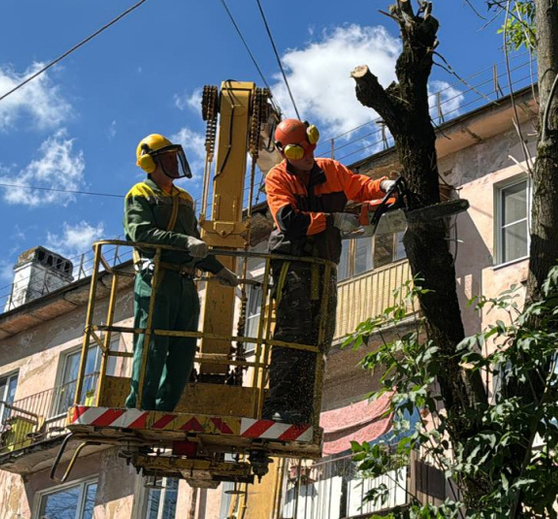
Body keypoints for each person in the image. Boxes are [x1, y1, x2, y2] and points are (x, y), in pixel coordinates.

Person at [263, 119, 396, 423]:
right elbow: (289, 221)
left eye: (309, 143)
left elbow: (359, 187)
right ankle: (280, 404)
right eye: (299, 149)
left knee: (320, 334)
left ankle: (305, 405)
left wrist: (383, 186)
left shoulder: (331, 169)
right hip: (294, 262)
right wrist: (332, 220)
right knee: (293, 332)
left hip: (325, 262)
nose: (308, 153)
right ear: (286, 152)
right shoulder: (277, 178)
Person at [124, 133, 239, 411]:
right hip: (157, 278)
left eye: (175, 158)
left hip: (186, 282)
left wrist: (217, 269)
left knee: (183, 352)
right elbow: (140, 233)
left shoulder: (184, 198)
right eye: (168, 159)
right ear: (151, 163)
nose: (175, 164)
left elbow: (195, 242)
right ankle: (140, 406)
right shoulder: (140, 194)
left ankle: (164, 409)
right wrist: (184, 242)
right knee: (153, 345)